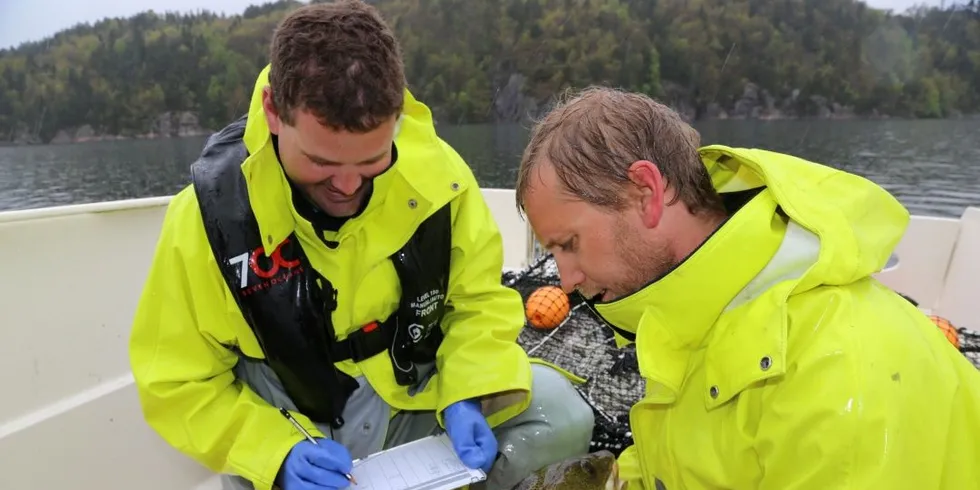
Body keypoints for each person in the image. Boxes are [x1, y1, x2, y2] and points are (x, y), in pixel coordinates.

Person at [127, 2, 594, 490]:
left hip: (413, 397)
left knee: (560, 417)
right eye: (320, 162)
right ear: (273, 112)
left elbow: (477, 303)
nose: (348, 187)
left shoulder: (440, 179)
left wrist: (468, 392)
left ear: (396, 118)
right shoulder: (206, 219)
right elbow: (175, 382)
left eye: (373, 160)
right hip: (292, 425)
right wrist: (273, 453)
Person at [515, 86, 980, 489]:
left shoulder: (837, 375)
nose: (568, 280)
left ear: (646, 192)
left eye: (569, 244)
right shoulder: (687, 307)